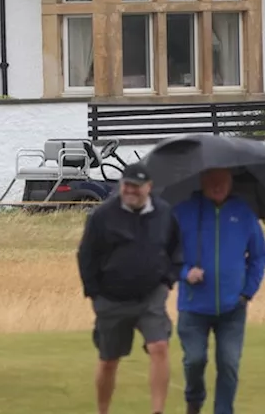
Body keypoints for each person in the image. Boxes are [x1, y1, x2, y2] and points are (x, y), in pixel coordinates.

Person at [78, 161, 183, 414]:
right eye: (127, 185)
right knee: (109, 361)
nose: (131, 190)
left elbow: (176, 249)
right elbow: (86, 255)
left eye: (137, 186)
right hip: (111, 299)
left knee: (159, 347)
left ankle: (157, 411)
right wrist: (95, 294)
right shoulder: (103, 215)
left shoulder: (164, 213)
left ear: (149, 187)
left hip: (150, 296)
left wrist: (167, 279)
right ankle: (103, 410)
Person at [172, 169, 265, 414]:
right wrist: (185, 273)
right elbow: (165, 256)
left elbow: (260, 255)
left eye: (223, 181)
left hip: (233, 307)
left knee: (229, 364)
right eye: (212, 181)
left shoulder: (244, 212)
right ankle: (194, 400)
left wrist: (247, 291)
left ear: (231, 183)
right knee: (194, 361)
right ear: (202, 182)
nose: (218, 186)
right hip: (193, 307)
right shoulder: (183, 212)